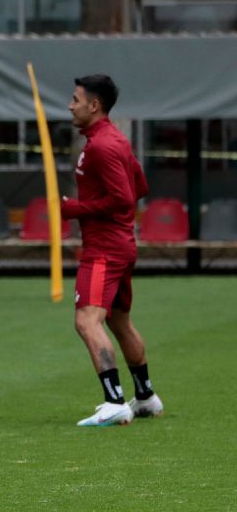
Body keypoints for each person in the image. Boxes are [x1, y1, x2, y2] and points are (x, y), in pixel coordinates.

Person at [62, 74, 163, 427]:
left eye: (75, 99)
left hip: (104, 251)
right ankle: (146, 396)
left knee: (87, 320)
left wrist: (74, 208)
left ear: (94, 105)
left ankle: (115, 400)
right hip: (120, 245)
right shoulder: (114, 140)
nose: (70, 105)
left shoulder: (103, 146)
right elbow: (141, 186)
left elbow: (122, 198)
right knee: (120, 322)